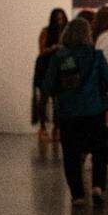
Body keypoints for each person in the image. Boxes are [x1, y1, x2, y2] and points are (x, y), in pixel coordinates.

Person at [44, 18, 108, 207]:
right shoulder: (96, 56)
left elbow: (47, 86)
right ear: (88, 34)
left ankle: (78, 195)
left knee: (71, 154)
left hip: (68, 113)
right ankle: (97, 187)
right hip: (95, 112)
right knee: (99, 151)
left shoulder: (59, 57)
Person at [34, 8, 68, 142]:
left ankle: (56, 128)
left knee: (58, 100)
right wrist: (53, 48)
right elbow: (42, 50)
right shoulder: (46, 32)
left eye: (62, 19)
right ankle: (43, 128)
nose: (60, 22)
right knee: (44, 98)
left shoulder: (66, 32)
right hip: (45, 67)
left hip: (59, 68)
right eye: (57, 19)